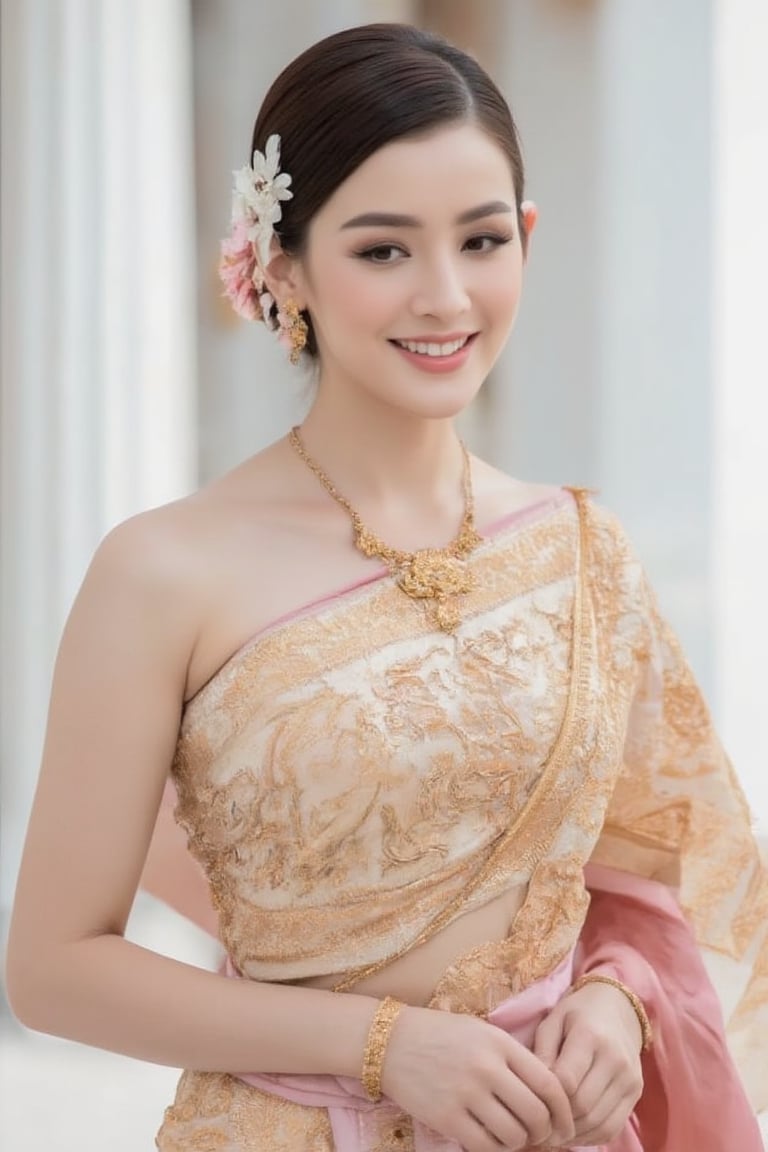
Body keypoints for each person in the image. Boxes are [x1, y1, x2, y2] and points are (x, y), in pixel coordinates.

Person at [5, 22, 766, 1152]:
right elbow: (55, 971)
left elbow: (665, 882)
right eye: (382, 251)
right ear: (280, 265)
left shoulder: (581, 551)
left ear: (528, 240)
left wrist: (617, 1002)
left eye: (481, 239)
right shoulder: (164, 570)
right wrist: (382, 1045)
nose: (446, 296)